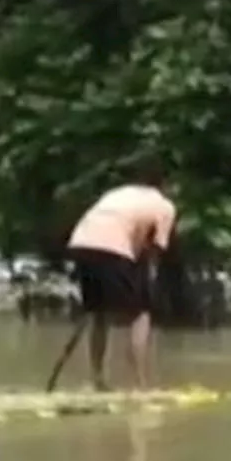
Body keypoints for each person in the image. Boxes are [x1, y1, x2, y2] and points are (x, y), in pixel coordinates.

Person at [66, 166, 177, 391]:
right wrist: (149, 282)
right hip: (113, 247)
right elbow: (155, 250)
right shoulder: (164, 206)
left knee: (99, 313)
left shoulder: (120, 193)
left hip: (81, 242)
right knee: (141, 313)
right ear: (166, 186)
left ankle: (97, 380)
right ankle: (140, 385)